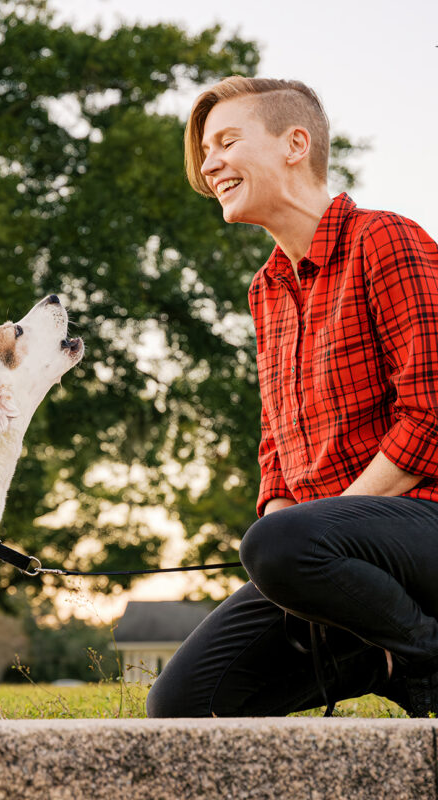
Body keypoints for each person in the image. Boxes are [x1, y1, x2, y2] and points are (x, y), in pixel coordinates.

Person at [146, 76, 438, 718]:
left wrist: (321, 534)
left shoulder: (386, 241)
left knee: (278, 542)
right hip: (322, 554)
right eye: (205, 150)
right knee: (183, 705)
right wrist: (300, 549)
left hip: (423, 529)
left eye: (226, 141)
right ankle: (376, 651)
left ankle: (425, 653)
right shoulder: (266, 288)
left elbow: (433, 413)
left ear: (294, 144)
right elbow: (277, 442)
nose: (208, 162)